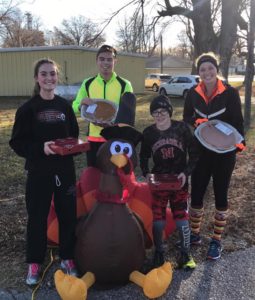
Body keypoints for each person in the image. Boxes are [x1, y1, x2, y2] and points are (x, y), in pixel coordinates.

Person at [9, 58, 79, 286]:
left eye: (52, 74)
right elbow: (17, 143)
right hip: (39, 172)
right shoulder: (28, 109)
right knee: (37, 219)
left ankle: (67, 258)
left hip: (64, 171)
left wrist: (73, 146)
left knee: (68, 216)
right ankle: (34, 263)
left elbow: (73, 135)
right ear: (37, 78)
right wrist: (41, 148)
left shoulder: (64, 106)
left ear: (57, 77)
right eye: (44, 74)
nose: (49, 78)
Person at [183, 52, 245, 260]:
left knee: (221, 195)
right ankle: (194, 234)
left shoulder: (230, 93)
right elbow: (187, 117)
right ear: (198, 73)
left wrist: (235, 146)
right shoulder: (192, 93)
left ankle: (216, 241)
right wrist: (200, 125)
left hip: (224, 154)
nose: (207, 72)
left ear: (216, 70)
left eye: (210, 68)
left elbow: (238, 123)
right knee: (197, 193)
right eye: (202, 69)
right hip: (201, 151)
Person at [139, 95, 199, 269]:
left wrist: (185, 173)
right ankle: (159, 253)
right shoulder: (149, 133)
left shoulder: (182, 129)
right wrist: (147, 173)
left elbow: (195, 154)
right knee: (158, 220)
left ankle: (186, 254)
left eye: (163, 111)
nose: (159, 115)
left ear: (169, 112)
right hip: (159, 181)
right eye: (155, 112)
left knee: (181, 218)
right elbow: (143, 156)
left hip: (179, 181)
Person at [72, 44, 135, 167]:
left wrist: (114, 124)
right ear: (97, 61)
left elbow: (129, 115)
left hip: (115, 140)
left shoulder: (125, 84)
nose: (105, 63)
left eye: (109, 59)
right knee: (94, 178)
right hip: (94, 139)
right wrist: (81, 105)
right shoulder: (88, 83)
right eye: (102, 59)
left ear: (115, 61)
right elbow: (74, 106)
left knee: (115, 179)